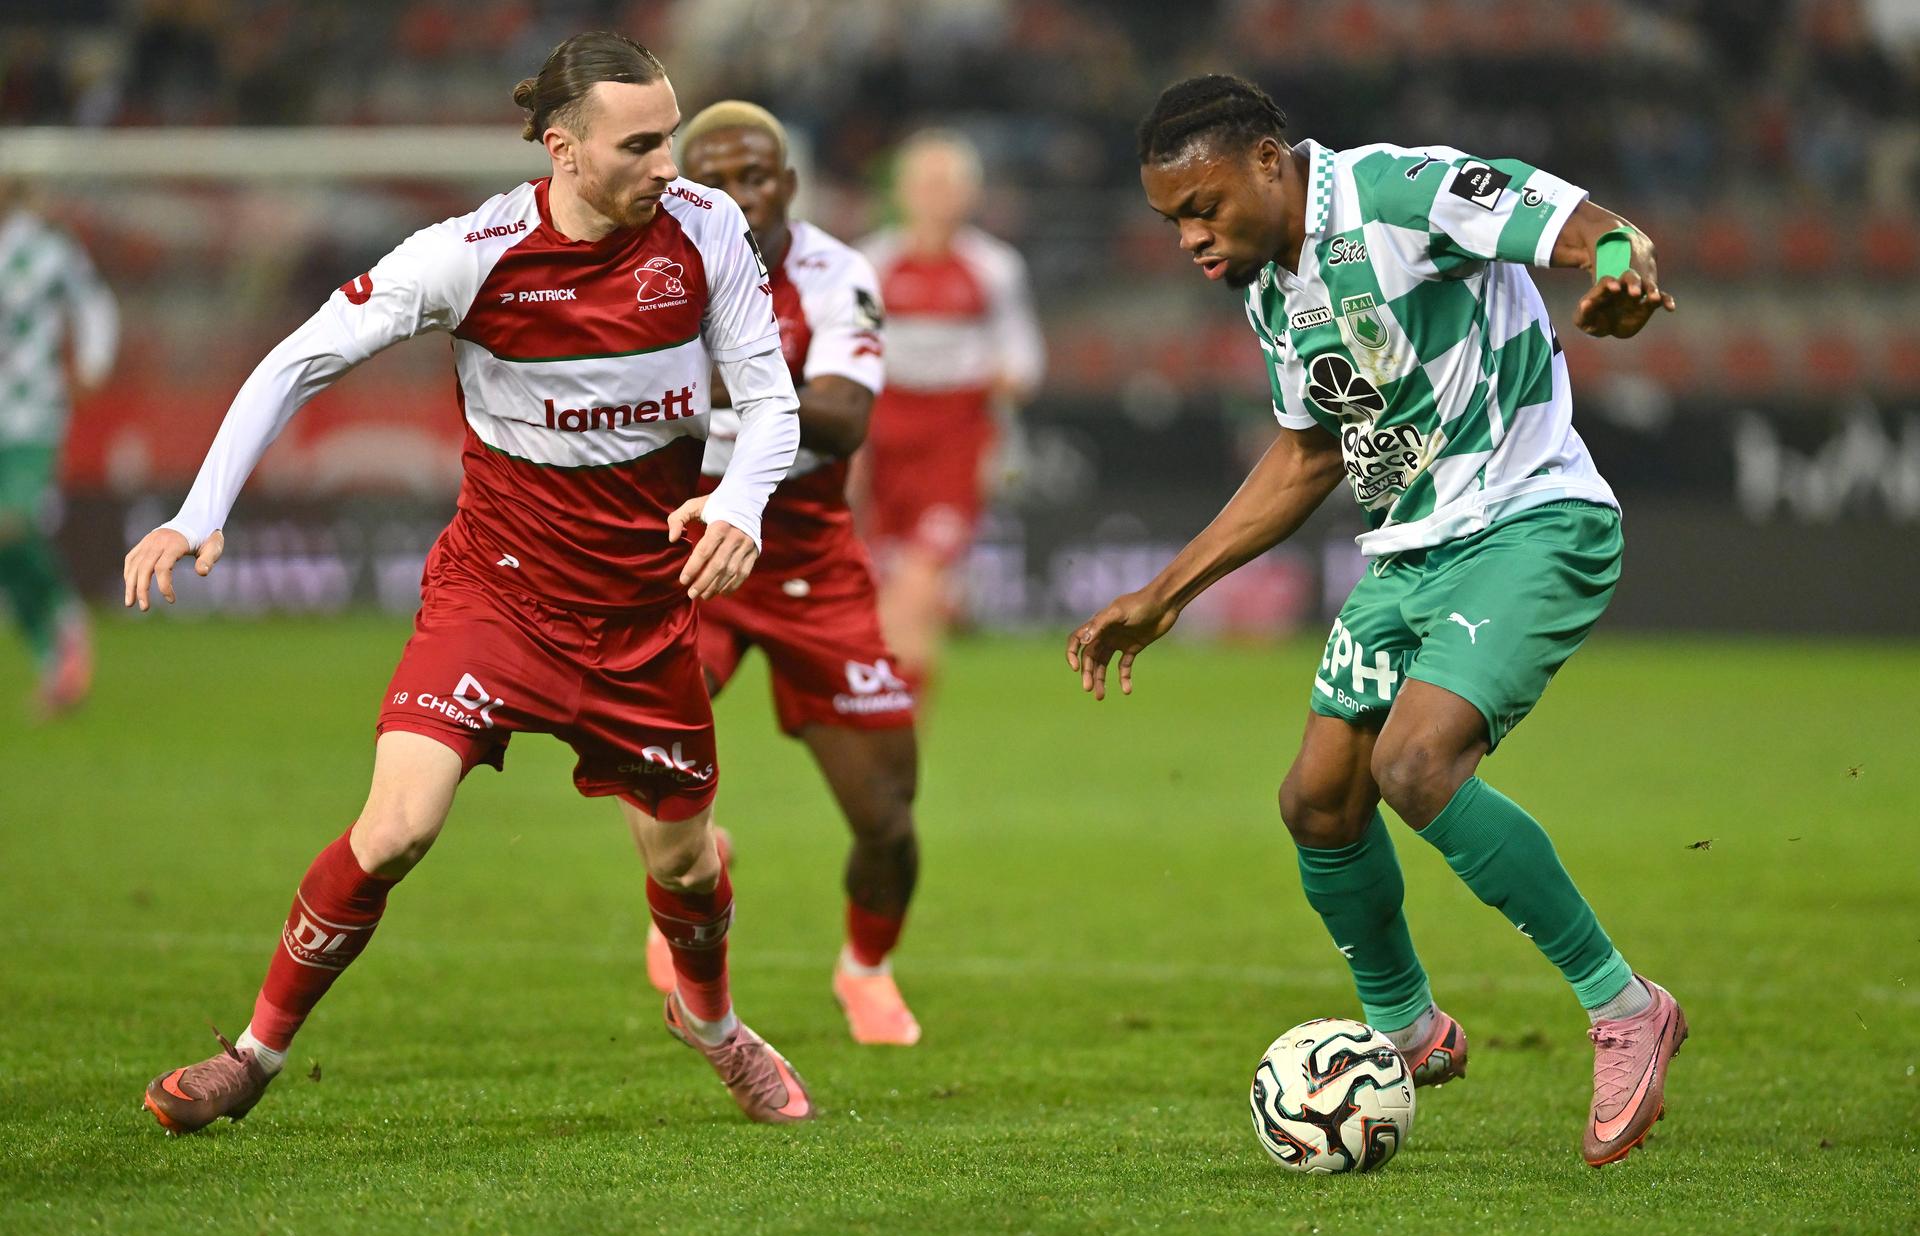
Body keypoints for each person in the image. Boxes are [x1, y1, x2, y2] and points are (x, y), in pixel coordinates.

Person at [129, 32, 815, 1131]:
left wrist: (737, 503)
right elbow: (298, 355)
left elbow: (771, 399)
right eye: (640, 143)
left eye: (671, 134)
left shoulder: (706, 229)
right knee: (397, 825)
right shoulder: (472, 252)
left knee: (687, 868)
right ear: (564, 148)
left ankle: (715, 1026)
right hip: (496, 600)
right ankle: (254, 1055)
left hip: (643, 615)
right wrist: (200, 507)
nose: (669, 162)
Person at [1067, 75, 1684, 1167]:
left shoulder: (1400, 192)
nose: (1189, 238)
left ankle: (1625, 1003)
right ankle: (1404, 1023)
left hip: (1529, 519)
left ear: (1270, 157)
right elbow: (1309, 451)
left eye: (1203, 206)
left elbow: (1575, 220)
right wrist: (1164, 592)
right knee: (1317, 799)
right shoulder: (1270, 287)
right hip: (1406, 554)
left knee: (1416, 762)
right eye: (1172, 222)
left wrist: (1623, 263)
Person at [643, 100, 923, 1045]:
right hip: (688, 548)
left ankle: (866, 969)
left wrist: (709, 382)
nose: (737, 194)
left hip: (807, 557)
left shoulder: (836, 272)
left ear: (788, 185)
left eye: (755, 175)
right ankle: (688, 879)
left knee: (887, 816)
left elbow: (844, 418)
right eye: (712, 178)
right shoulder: (644, 268)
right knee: (643, 754)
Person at [857, 130, 1044, 698]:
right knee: (890, 600)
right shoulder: (870, 264)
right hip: (882, 444)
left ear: (971, 195)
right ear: (903, 191)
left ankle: (893, 726)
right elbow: (844, 363)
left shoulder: (993, 268)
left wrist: (983, 383)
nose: (937, 196)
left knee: (916, 585)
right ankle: (891, 729)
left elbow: (1024, 366)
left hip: (953, 446)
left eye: (949, 185)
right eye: (926, 183)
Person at [0, 180, 118, 718]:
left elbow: (94, 302)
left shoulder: (45, 249)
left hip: (31, 414)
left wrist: (93, 361)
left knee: (13, 522)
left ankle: (65, 623)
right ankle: (55, 656)